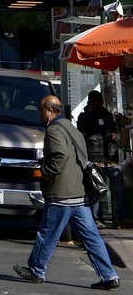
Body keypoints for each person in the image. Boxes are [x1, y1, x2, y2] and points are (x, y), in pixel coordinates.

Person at [14, 94, 120, 288]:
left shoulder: (54, 130)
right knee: (91, 237)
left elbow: (60, 157)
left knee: (47, 233)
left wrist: (44, 171)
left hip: (61, 194)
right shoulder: (73, 129)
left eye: (40, 110)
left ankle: (37, 271)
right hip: (78, 193)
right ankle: (109, 276)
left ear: (49, 111)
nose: (40, 114)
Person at [79, 90, 120, 165]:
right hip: (93, 155)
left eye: (100, 100)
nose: (99, 103)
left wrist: (114, 136)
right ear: (90, 102)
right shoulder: (83, 116)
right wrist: (90, 113)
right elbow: (83, 133)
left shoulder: (108, 115)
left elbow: (117, 133)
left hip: (110, 155)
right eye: (96, 101)